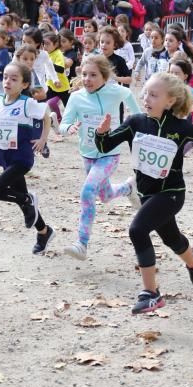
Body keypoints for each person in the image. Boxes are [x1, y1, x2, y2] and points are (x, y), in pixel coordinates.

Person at [92, 72, 193, 313]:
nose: (146, 98)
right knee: (171, 238)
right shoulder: (135, 123)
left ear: (170, 101)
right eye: (145, 93)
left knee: (137, 229)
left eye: (154, 95)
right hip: (147, 194)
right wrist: (101, 133)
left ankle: (151, 293)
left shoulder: (180, 127)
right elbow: (104, 146)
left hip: (172, 193)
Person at [59, 55, 142, 259]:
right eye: (84, 74)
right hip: (87, 155)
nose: (87, 79)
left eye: (93, 75)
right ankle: (129, 188)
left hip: (109, 155)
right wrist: (69, 128)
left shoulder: (115, 92)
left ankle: (81, 244)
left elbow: (131, 99)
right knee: (104, 196)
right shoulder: (76, 97)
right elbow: (63, 124)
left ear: (104, 76)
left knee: (88, 192)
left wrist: (140, 122)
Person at [0, 62, 56, 254]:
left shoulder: (27, 103)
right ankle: (44, 231)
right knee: (25, 206)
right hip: (4, 156)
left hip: (22, 158)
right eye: (6, 77)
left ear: (24, 85)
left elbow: (46, 116)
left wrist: (43, 139)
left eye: (14, 79)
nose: (8, 81)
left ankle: (27, 199)